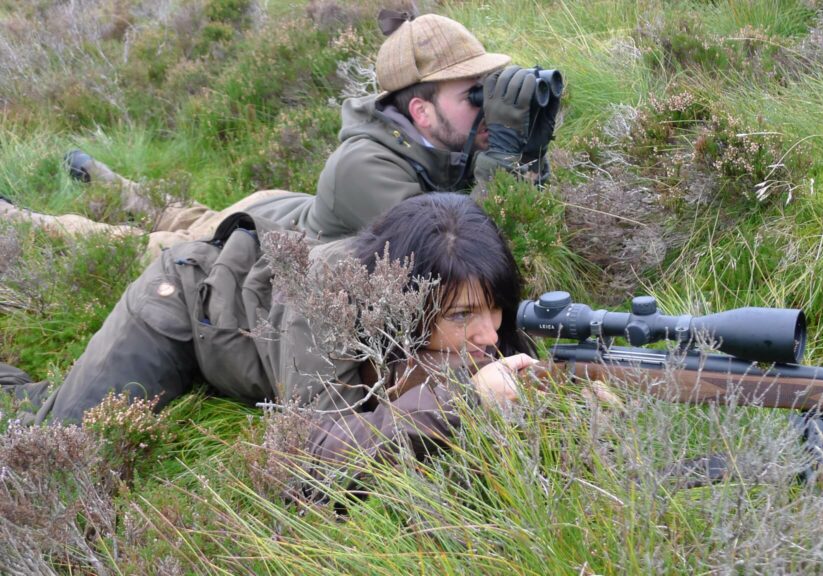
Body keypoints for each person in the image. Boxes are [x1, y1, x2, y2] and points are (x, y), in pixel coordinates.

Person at [0, 11, 559, 261]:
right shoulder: (365, 167)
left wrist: (526, 151)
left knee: (179, 209)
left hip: (278, 210)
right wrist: (503, 157)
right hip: (251, 245)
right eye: (474, 96)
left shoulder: (446, 137)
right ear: (420, 108)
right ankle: (21, 222)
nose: (488, 109)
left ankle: (106, 179)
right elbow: (458, 259)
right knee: (133, 248)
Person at [1, 193, 539, 434]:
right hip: (189, 305)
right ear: (404, 300)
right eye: (464, 317)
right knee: (64, 438)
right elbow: (319, 443)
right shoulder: (327, 298)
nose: (490, 334)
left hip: (262, 327)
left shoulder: (465, 298)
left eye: (497, 308)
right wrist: (461, 401)